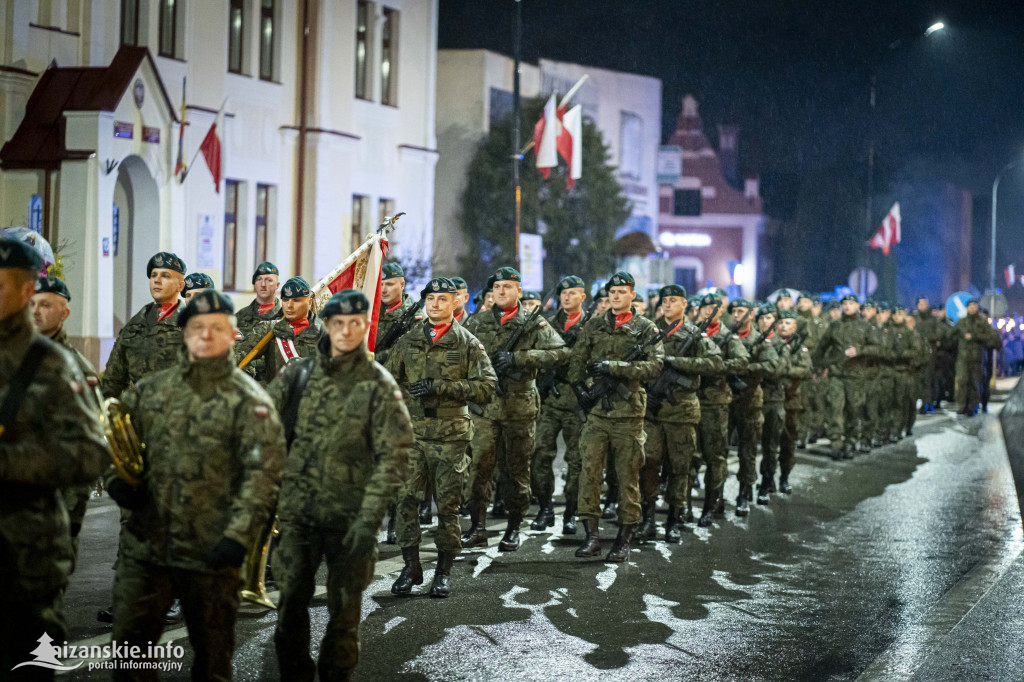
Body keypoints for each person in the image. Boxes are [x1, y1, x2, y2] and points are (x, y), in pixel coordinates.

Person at [105, 289, 285, 682]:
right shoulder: (151, 391)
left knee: (212, 660)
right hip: (146, 548)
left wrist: (238, 539)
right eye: (197, 327)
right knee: (130, 659)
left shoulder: (250, 400)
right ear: (184, 333)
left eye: (216, 328)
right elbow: (113, 437)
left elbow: (263, 476)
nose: (206, 335)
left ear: (233, 334)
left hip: (213, 552)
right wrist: (117, 481)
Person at [270, 289, 412, 680]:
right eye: (338, 324)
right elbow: (263, 437)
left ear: (366, 326)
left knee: (344, 617)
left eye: (356, 324)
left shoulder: (378, 384)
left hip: (352, 519)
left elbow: (395, 455)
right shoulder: (297, 375)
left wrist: (370, 519)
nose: (347, 331)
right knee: (289, 612)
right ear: (326, 326)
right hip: (298, 517)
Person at [0, 240, 108, 680]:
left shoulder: (52, 365)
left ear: (27, 293)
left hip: (24, 553)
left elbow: (89, 454)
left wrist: (9, 461)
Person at [386, 278, 495, 598]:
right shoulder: (408, 341)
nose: (435, 304)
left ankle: (443, 572)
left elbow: (487, 387)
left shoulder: (467, 343)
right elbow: (388, 381)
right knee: (405, 501)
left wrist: (444, 387)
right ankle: (411, 566)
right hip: (414, 435)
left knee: (447, 507)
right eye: (430, 298)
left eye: (442, 299)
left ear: (454, 303)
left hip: (451, 437)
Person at [461, 267, 567, 551]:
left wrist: (521, 358)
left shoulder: (534, 323)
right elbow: (459, 354)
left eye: (507, 287)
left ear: (519, 291)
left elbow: (560, 353)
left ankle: (513, 527)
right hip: (484, 409)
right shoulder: (478, 321)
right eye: (496, 287)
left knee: (517, 471)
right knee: (479, 470)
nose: (501, 292)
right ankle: (478, 527)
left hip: (519, 408)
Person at [569, 271, 664, 561]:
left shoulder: (646, 328)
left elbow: (655, 366)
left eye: (622, 291)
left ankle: (624, 539)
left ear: (633, 295)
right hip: (597, 414)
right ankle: (592, 537)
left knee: (627, 478)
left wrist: (617, 368)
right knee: (589, 475)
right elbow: (577, 361)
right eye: (612, 291)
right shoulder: (595, 325)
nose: (615, 295)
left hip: (628, 415)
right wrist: (582, 391)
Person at [640, 284, 722, 542]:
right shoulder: (648, 330)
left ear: (685, 304)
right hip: (652, 410)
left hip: (681, 411)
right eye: (664, 300)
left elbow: (715, 363)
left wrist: (678, 364)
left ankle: (674, 519)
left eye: (673, 300)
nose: (667, 304)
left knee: (680, 466)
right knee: (648, 463)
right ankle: (648, 518)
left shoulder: (694, 334)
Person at [31, 275, 99, 566]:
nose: (35, 311)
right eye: (31, 303)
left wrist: (70, 522)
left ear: (64, 313)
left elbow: (86, 454)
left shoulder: (77, 371)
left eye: (45, 305)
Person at [531, 275, 589, 534]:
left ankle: (571, 512)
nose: (567, 297)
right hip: (550, 401)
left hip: (578, 402)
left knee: (577, 460)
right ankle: (545, 508)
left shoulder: (591, 326)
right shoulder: (547, 324)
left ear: (582, 297)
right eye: (563, 293)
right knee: (541, 454)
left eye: (572, 293)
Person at [100, 251, 186, 398]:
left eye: (165, 276)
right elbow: (113, 381)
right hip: (138, 413)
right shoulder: (134, 326)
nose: (157, 280)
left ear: (180, 286)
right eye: (154, 275)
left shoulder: (193, 326)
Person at [697, 293, 749, 525]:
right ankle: (683, 506)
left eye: (713, 308)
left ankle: (712, 501)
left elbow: (742, 361)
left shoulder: (727, 336)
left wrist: (717, 367)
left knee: (715, 456)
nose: (708, 311)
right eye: (705, 307)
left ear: (720, 312)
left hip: (715, 402)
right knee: (688, 455)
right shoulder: (693, 331)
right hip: (689, 400)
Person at [728, 299, 779, 515]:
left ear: (750, 315)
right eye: (734, 312)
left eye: (741, 311)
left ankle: (744, 493)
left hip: (750, 400)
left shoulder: (759, 340)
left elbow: (772, 364)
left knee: (747, 451)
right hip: (725, 399)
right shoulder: (725, 337)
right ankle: (716, 497)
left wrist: (747, 368)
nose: (737, 315)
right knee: (718, 451)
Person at [814, 294, 880, 459]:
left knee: (853, 410)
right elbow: (822, 347)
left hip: (856, 375)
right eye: (844, 304)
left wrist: (860, 351)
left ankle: (850, 442)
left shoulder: (865, 327)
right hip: (837, 373)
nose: (847, 306)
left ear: (857, 306)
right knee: (835, 408)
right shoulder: (835, 326)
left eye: (851, 303)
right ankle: (836, 443)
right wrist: (819, 367)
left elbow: (877, 349)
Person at [237, 276, 326, 385]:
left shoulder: (325, 332)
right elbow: (236, 359)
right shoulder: (270, 329)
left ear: (310, 302)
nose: (289, 305)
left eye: (296, 300)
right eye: (285, 300)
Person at [756, 305, 788, 505]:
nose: (765, 321)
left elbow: (778, 370)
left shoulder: (781, 345)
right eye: (762, 317)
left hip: (772, 399)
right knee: (748, 445)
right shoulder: (751, 340)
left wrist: (754, 370)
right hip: (750, 398)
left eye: (769, 318)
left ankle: (767, 482)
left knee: (770, 445)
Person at [778, 310, 812, 493]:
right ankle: (766, 480)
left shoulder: (800, 347)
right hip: (772, 397)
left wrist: (784, 369)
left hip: (791, 399)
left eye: (788, 323)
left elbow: (805, 370)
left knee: (788, 440)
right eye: (781, 322)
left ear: (795, 327)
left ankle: (784, 476)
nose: (784, 326)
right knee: (768, 443)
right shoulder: (773, 344)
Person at [952, 299, 1001, 415]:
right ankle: (962, 405)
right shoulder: (961, 322)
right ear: (967, 308)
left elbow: (990, 337)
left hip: (978, 359)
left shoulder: (982, 323)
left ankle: (973, 406)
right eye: (970, 306)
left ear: (977, 308)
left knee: (975, 383)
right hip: (963, 358)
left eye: (974, 306)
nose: (972, 308)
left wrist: (974, 336)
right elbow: (952, 336)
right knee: (962, 382)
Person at [375, 263, 424, 365]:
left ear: (402, 285)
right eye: (381, 284)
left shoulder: (415, 318)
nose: (383, 290)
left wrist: (374, 358)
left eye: (389, 284)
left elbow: (411, 352)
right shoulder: (372, 312)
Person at [890, 305, 926, 436]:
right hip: (892, 370)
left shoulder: (911, 334)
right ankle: (896, 429)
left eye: (900, 313)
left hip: (909, 372)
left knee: (908, 401)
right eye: (895, 313)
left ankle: (908, 425)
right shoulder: (889, 331)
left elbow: (917, 352)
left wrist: (902, 354)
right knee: (896, 402)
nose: (897, 316)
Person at [235, 261, 282, 338]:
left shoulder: (283, 318)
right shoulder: (240, 317)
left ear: (277, 285)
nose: (263, 284)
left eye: (269, 280)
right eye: (259, 279)